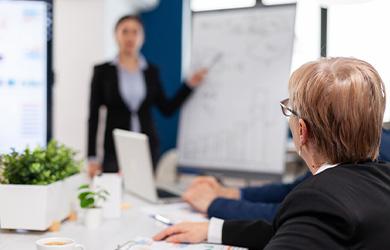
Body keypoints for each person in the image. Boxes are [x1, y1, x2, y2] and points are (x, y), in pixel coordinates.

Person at [153, 57, 390, 249]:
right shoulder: (380, 180)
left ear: (301, 130)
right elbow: (297, 228)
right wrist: (214, 230)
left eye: (289, 110)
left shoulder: (319, 198)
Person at [87, 15, 206, 177]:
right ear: (116, 35)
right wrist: (92, 157)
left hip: (147, 147)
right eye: (125, 31)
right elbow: (93, 117)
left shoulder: (151, 71)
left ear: (142, 37)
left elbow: (167, 108)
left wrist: (189, 85)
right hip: (114, 148)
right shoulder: (103, 71)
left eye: (135, 32)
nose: (130, 37)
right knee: (113, 194)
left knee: (142, 195)